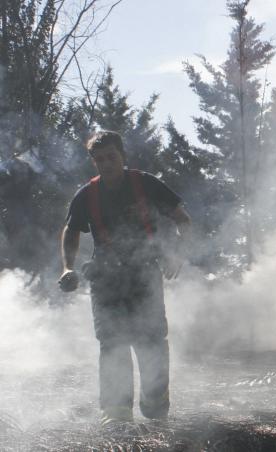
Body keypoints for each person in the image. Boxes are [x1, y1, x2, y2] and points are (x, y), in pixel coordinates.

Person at [58, 131, 191, 426]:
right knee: (112, 342)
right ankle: (116, 414)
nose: (106, 163)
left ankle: (155, 404)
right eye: (99, 159)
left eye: (111, 157)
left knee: (152, 339)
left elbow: (183, 219)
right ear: (94, 161)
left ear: (123, 155)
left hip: (144, 274)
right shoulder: (87, 194)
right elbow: (71, 230)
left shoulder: (145, 184)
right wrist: (67, 267)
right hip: (105, 280)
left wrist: (177, 253)